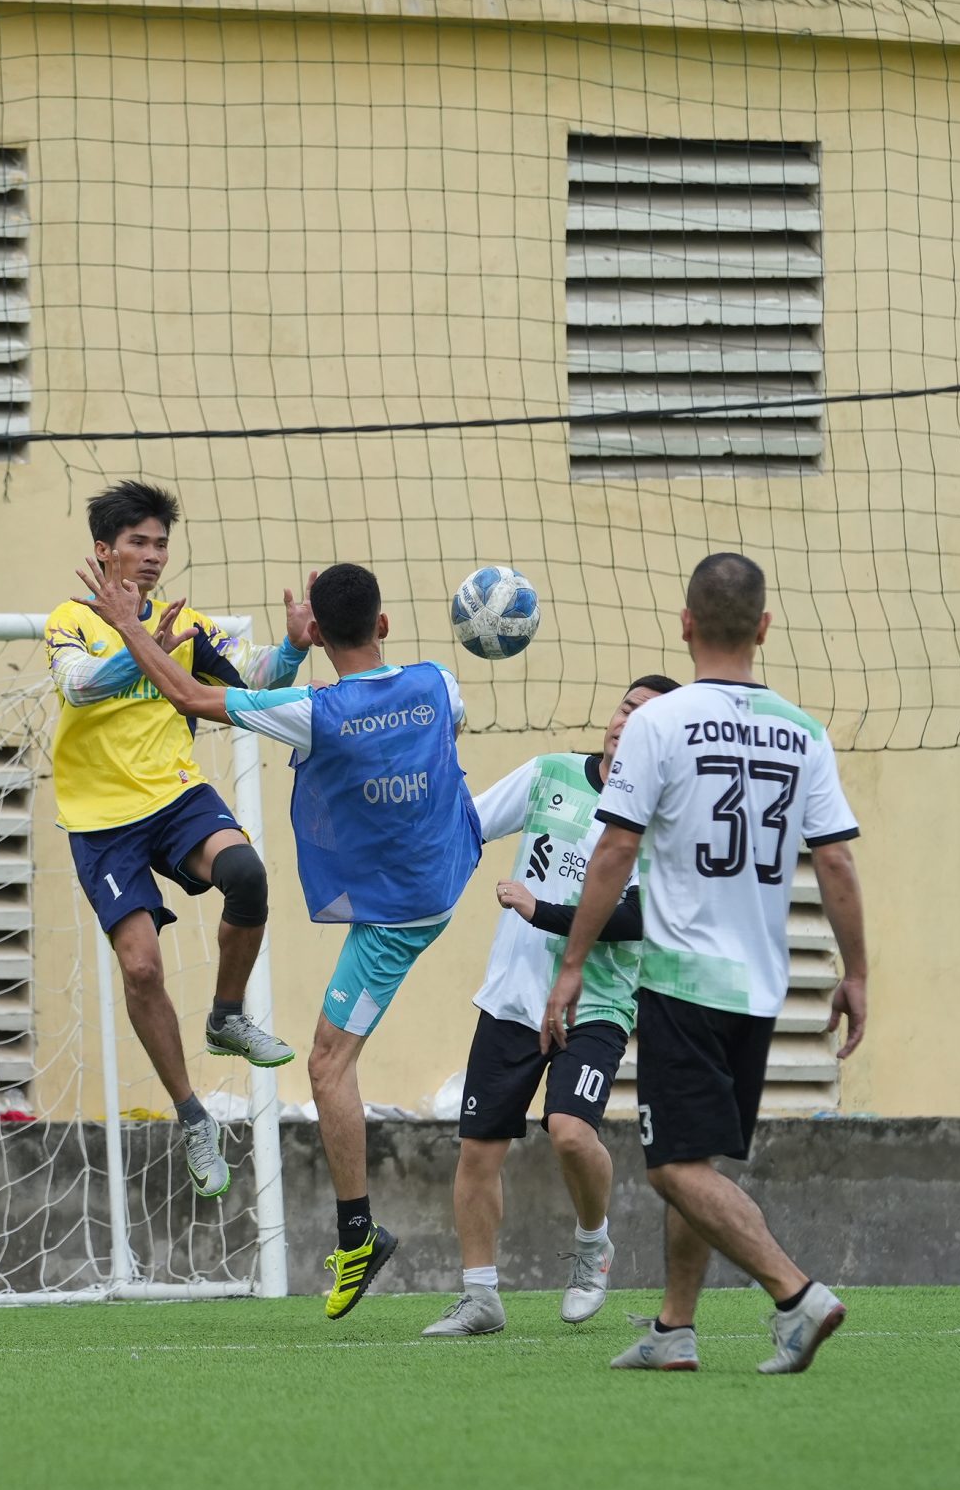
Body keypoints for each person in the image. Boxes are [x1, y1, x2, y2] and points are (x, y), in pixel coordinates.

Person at [80, 557, 480, 1321]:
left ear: (319, 632)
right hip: (451, 861)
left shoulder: (311, 710)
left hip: (400, 916)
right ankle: (230, 1020)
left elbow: (189, 694)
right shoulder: (436, 681)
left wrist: (130, 626)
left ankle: (357, 1236)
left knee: (328, 1065)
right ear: (384, 624)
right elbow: (445, 733)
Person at [547, 553, 869, 1375]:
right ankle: (674, 1327)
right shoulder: (804, 730)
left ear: (686, 624)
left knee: (671, 1166)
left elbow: (615, 848)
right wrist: (858, 972)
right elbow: (836, 861)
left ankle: (797, 1296)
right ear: (764, 628)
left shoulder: (659, 722)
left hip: (683, 978)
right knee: (697, 1157)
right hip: (760, 987)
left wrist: (573, 961)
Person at [45, 481, 304, 1201]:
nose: (154, 555)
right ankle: (193, 1115)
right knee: (142, 969)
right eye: (139, 542)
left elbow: (255, 681)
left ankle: (227, 1016)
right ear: (105, 551)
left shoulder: (186, 624)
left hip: (176, 794)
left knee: (246, 874)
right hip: (101, 820)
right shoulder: (70, 620)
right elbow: (80, 686)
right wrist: (138, 646)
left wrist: (293, 645)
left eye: (161, 543)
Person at [423, 674, 678, 1339]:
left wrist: (542, 911)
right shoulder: (552, 774)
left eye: (646, 719)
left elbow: (636, 917)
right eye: (624, 707)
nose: (625, 721)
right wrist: (425, 761)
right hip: (512, 996)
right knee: (479, 1151)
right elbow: (467, 822)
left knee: (567, 1129)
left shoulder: (665, 819)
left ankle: (593, 1243)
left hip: (597, 1001)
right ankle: (481, 1296)